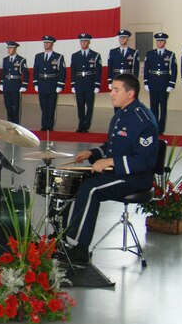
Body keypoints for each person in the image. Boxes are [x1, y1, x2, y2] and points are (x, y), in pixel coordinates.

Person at [60, 74, 158, 263]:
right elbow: (113, 146)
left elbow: (145, 161)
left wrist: (110, 162)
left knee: (91, 189)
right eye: (112, 89)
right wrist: (93, 153)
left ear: (130, 93)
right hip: (119, 172)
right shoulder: (121, 113)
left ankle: (79, 248)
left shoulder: (142, 119)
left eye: (116, 90)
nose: (111, 93)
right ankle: (63, 238)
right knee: (72, 182)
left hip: (134, 178)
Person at [144, 32, 177, 134]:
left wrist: (171, 84)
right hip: (153, 82)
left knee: (163, 107)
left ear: (165, 42)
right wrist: (146, 82)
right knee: (153, 106)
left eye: (161, 40)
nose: (159, 42)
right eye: (158, 41)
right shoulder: (150, 54)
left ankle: (161, 129)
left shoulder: (170, 54)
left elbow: (174, 70)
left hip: (164, 83)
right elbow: (146, 69)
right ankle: (154, 127)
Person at [32, 35, 66, 132]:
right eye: (45, 42)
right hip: (42, 83)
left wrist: (60, 85)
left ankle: (50, 126)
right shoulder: (38, 56)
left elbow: (62, 72)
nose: (46, 44)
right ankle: (44, 125)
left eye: (48, 43)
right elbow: (35, 71)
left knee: (51, 106)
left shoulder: (58, 57)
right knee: (43, 106)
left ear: (52, 44)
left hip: (52, 84)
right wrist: (35, 83)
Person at [70, 33, 102, 133]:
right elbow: (73, 71)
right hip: (79, 83)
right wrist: (73, 84)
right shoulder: (75, 55)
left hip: (90, 83)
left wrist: (97, 84)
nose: (83, 43)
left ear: (89, 42)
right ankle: (81, 125)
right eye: (81, 41)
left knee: (89, 105)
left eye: (85, 41)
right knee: (80, 105)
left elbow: (98, 71)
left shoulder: (95, 55)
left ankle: (86, 125)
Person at [0, 40, 29, 124]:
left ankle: (16, 123)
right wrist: (1, 83)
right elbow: (3, 72)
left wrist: (24, 85)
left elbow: (26, 73)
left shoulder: (21, 60)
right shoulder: (5, 59)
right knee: (8, 105)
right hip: (7, 85)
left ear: (15, 49)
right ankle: (10, 122)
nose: (9, 50)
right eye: (8, 48)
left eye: (11, 48)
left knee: (16, 106)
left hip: (16, 85)